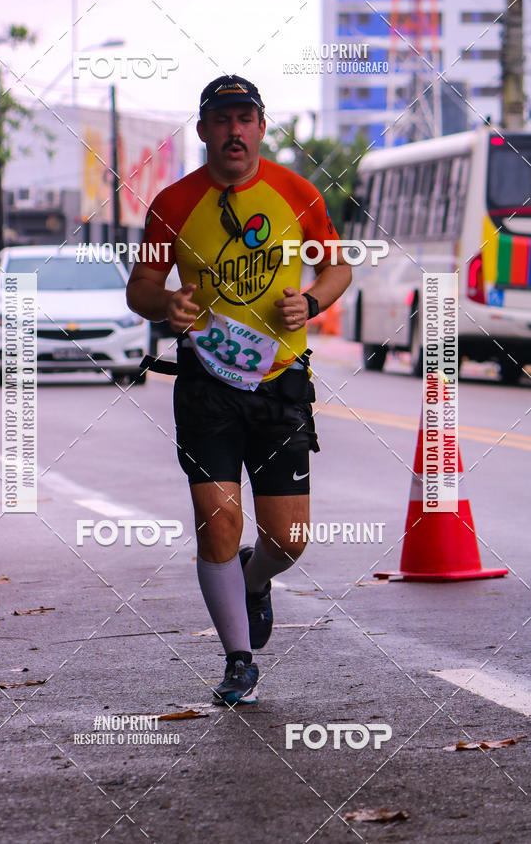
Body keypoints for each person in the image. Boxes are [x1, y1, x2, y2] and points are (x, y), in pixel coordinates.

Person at [127, 75, 351, 705]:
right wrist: (165, 302)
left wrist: (310, 301)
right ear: (203, 130)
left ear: (259, 126)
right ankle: (238, 659)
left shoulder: (295, 192)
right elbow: (140, 284)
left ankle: (258, 580)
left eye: (244, 118)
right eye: (221, 119)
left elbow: (338, 266)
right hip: (206, 385)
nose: (233, 130)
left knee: (287, 540)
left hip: (279, 384)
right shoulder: (173, 203)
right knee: (217, 521)